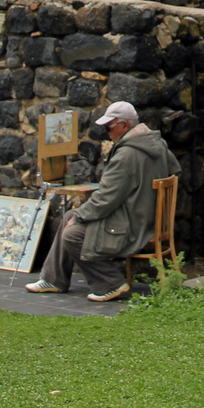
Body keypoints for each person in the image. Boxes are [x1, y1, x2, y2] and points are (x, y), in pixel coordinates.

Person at [26, 101, 179, 303]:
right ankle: (53, 279)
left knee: (72, 233)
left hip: (133, 225)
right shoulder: (156, 145)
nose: (107, 133)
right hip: (146, 218)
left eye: (109, 127)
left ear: (125, 126)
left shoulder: (127, 155)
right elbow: (175, 170)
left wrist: (81, 216)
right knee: (69, 217)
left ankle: (110, 283)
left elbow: (106, 198)